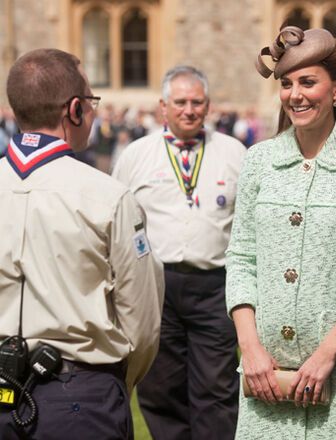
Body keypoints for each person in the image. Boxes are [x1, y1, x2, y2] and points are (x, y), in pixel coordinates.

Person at [226, 26, 336, 439]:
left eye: (307, 82)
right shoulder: (258, 161)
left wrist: (325, 355)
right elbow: (241, 258)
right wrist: (250, 350)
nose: (295, 95)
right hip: (264, 381)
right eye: (286, 84)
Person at [0, 48, 163, 438]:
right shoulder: (109, 196)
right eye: (91, 102)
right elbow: (141, 321)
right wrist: (113, 383)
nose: (92, 112)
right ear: (74, 110)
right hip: (79, 396)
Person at [112, 65, 246, 440]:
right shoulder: (135, 155)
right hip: (156, 287)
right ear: (163, 106)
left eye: (197, 102)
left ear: (208, 106)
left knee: (217, 389)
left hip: (215, 286)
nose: (189, 110)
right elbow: (119, 222)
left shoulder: (235, 153)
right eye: (181, 102)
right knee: (160, 389)